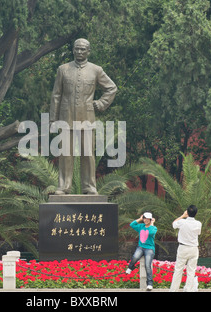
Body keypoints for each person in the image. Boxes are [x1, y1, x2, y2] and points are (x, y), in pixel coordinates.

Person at [50, 38, 117, 195]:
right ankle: (64, 187)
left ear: (88, 51)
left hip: (87, 118)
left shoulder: (96, 70)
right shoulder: (63, 69)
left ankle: (89, 186)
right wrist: (53, 120)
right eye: (77, 49)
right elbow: (56, 95)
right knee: (66, 154)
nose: (79, 52)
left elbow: (111, 88)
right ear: (73, 50)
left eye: (83, 49)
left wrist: (101, 103)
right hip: (66, 118)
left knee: (88, 153)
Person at [169, 205, 202, 292]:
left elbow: (173, 224)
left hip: (183, 247)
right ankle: (188, 290)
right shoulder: (198, 224)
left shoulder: (182, 222)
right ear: (196, 213)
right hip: (194, 248)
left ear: (187, 212)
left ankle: (173, 290)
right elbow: (198, 233)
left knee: (178, 270)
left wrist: (183, 216)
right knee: (191, 271)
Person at [126, 212, 157, 291]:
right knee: (135, 257)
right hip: (141, 247)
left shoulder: (153, 227)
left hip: (149, 248)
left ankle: (150, 284)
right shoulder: (141, 226)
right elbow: (132, 225)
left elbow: (151, 232)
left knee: (147, 265)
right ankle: (130, 267)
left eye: (148, 219)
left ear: (150, 219)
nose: (146, 220)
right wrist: (139, 219)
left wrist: (152, 223)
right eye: (144, 218)